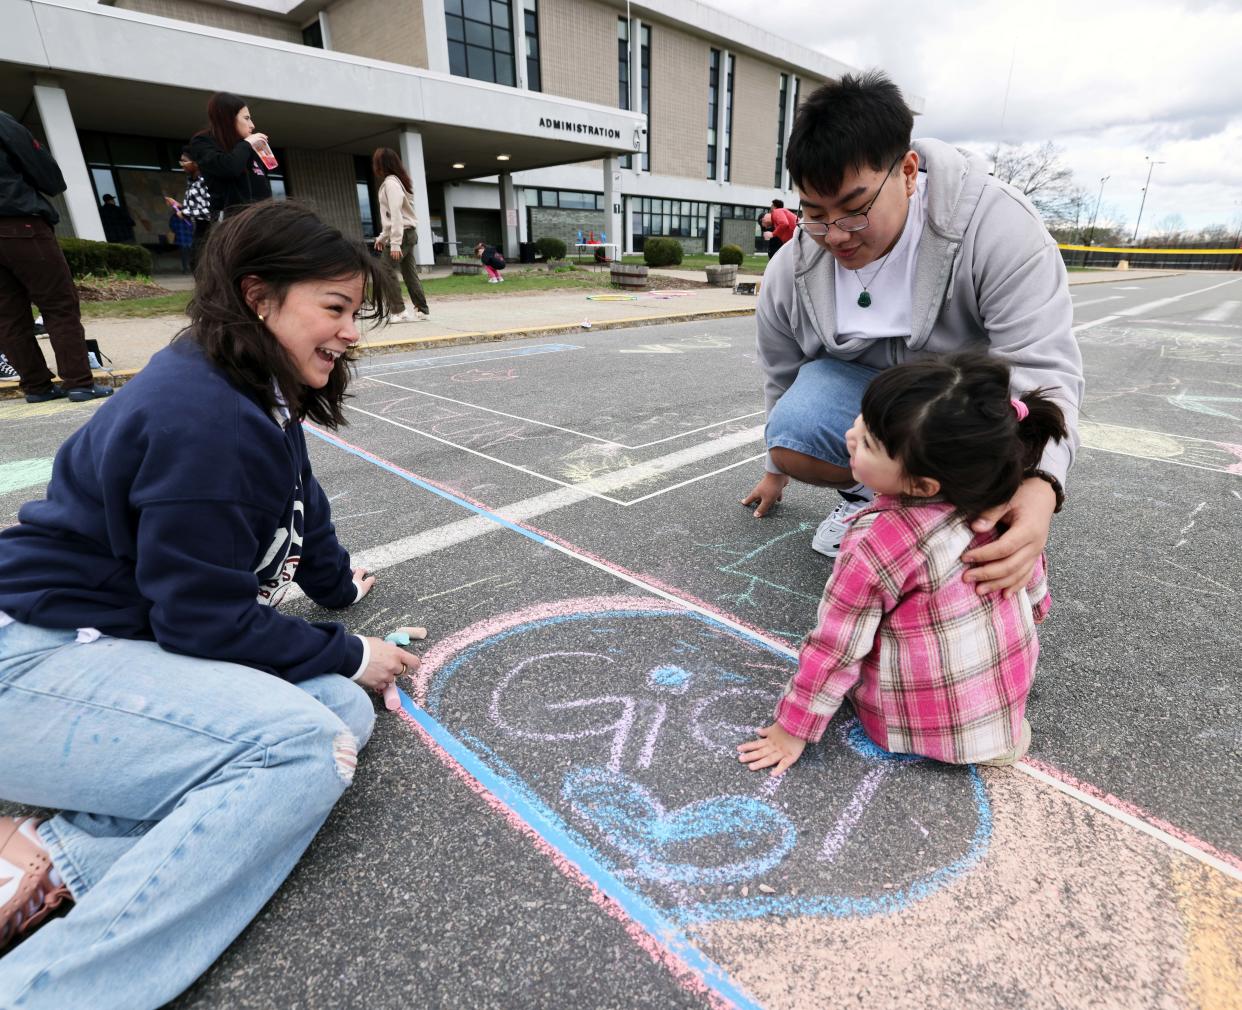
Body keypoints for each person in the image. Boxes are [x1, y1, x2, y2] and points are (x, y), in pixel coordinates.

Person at [0, 200, 421, 1007]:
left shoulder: (243, 376)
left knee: (340, 714)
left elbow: (301, 495)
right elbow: (198, 622)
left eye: (354, 312)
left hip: (94, 644)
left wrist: (336, 591)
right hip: (31, 655)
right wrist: (351, 648)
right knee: (302, 750)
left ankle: (48, 860)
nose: (352, 332)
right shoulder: (206, 416)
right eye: (334, 309)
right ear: (258, 296)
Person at [742, 71, 1082, 603]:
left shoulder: (997, 227)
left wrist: (1040, 487)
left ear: (906, 171)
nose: (835, 235)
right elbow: (781, 377)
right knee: (793, 430)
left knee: (980, 555)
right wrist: (774, 471)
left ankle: (959, 514)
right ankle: (871, 500)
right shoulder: (794, 267)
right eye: (814, 214)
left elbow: (1045, 371)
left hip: (962, 410)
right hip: (874, 406)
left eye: (854, 211)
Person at [739, 352, 1067, 775]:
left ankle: (933, 737)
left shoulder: (877, 541)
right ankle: (988, 733)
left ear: (921, 484)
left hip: (915, 723)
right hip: (1001, 704)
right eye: (862, 419)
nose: (851, 433)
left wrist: (793, 728)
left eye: (871, 442)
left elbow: (836, 647)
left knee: (858, 645)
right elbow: (1032, 585)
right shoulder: (997, 504)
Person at [0, 110, 112, 404]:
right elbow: (45, 173)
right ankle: (78, 382)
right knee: (58, 304)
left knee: (9, 315)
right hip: (19, 221)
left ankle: (36, 386)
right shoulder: (2, 122)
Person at [187, 92, 272, 220]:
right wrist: (247, 144)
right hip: (229, 225)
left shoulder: (247, 146)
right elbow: (230, 167)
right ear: (229, 118)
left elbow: (264, 189)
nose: (252, 125)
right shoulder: (203, 141)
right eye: (246, 118)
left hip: (260, 223)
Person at [371, 146, 429, 323]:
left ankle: (398, 311)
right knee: (409, 272)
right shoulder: (399, 181)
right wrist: (382, 237)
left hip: (402, 234)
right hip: (407, 233)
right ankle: (422, 309)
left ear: (381, 164)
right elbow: (394, 215)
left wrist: (394, 242)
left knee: (385, 269)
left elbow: (396, 214)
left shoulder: (390, 183)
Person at [175, 146, 213, 270]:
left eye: (184, 161)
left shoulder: (205, 181)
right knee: (197, 264)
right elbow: (198, 204)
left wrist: (185, 212)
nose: (182, 164)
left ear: (196, 163)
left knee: (200, 264)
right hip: (200, 229)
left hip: (210, 230)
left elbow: (211, 209)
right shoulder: (192, 181)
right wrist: (181, 206)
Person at [165, 199, 194, 274]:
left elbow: (172, 227)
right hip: (188, 238)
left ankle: (186, 269)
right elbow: (192, 226)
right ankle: (189, 269)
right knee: (190, 254)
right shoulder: (187, 217)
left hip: (182, 239)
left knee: (185, 255)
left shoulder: (175, 217)